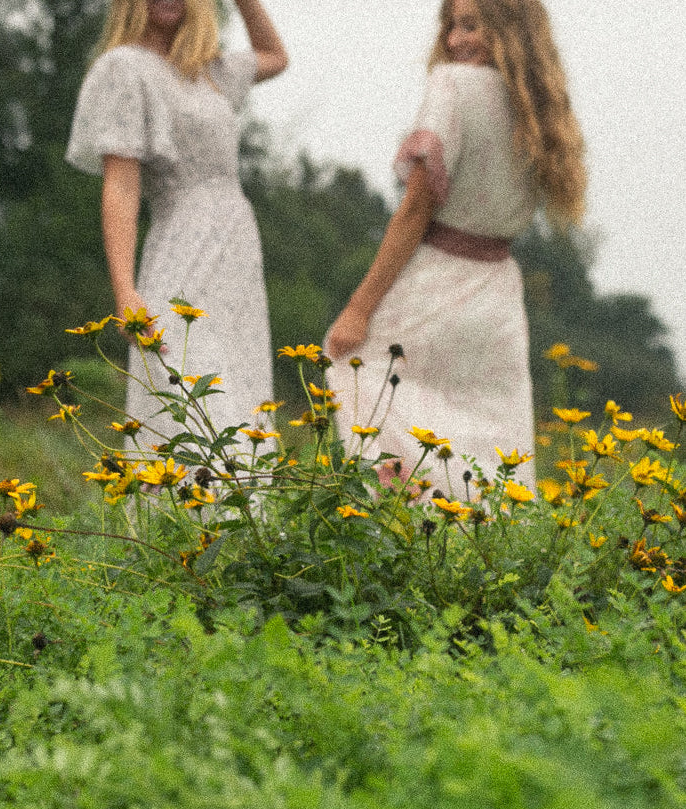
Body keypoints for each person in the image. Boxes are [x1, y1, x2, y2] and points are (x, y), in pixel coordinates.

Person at [326, 0, 586, 491]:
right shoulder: (541, 109)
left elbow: (415, 210)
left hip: (436, 282)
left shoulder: (453, 84)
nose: (453, 40)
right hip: (498, 298)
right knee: (491, 440)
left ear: (508, 29)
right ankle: (477, 530)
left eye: (470, 26)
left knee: (354, 369)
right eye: (451, 26)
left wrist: (358, 309)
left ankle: (404, 516)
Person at [66, 0, 288, 449]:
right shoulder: (124, 67)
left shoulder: (212, 71)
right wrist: (125, 292)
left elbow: (275, 56)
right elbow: (121, 186)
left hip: (238, 252)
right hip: (180, 248)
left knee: (242, 398)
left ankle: (242, 497)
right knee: (185, 387)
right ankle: (179, 492)